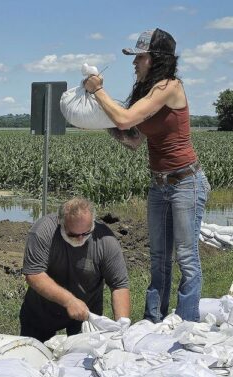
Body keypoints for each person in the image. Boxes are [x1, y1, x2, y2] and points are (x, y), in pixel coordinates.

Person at [84, 28, 210, 322]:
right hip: (160, 185)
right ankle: (154, 322)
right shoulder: (147, 93)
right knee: (158, 259)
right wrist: (94, 117)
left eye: (140, 57)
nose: (134, 63)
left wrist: (99, 92)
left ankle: (185, 324)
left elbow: (126, 117)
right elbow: (132, 139)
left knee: (187, 258)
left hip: (186, 183)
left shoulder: (169, 87)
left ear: (157, 59)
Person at [20, 197, 131, 342]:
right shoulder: (43, 231)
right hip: (41, 312)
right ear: (60, 222)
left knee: (83, 359)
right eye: (72, 234)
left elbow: (119, 285)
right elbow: (34, 275)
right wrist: (70, 301)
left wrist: (122, 327)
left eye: (86, 233)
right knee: (32, 358)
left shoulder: (106, 241)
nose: (80, 238)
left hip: (85, 314)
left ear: (93, 223)